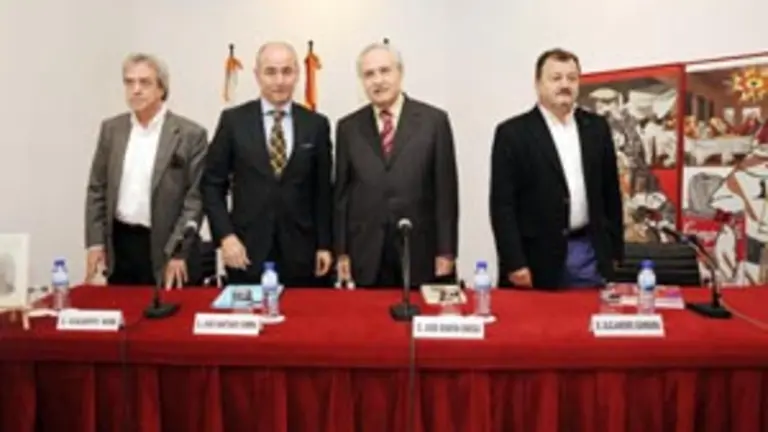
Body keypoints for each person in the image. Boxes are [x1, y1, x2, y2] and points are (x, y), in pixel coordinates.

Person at [489, 48, 624, 289]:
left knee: (587, 323)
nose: (565, 85)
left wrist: (615, 252)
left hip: (588, 253)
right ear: (538, 83)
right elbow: (502, 206)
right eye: (556, 78)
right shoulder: (512, 133)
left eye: (572, 78)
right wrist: (514, 262)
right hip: (534, 259)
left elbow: (610, 193)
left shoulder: (597, 128)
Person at [201, 41, 333, 287]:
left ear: (297, 74)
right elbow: (211, 185)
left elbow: (323, 192)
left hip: (303, 255)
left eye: (287, 71)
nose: (279, 80)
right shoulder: (233, 122)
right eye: (270, 72)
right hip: (245, 251)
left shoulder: (316, 125)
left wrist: (325, 245)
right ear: (257, 75)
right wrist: (226, 237)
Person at [334, 42, 459, 288]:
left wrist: (446, 251)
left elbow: (446, 192)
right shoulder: (348, 128)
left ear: (400, 73)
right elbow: (341, 195)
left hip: (419, 248)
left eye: (384, 71)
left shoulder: (433, 121)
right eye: (369, 74)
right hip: (366, 251)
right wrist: (342, 250)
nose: (378, 81)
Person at [84, 53, 209, 288]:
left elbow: (195, 199)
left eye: (145, 82)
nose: (136, 90)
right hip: (121, 245)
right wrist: (95, 243)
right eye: (129, 82)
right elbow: (97, 189)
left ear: (162, 89)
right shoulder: (112, 129)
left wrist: (178, 252)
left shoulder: (190, 134)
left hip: (167, 243)